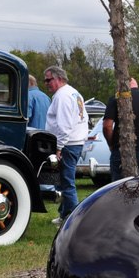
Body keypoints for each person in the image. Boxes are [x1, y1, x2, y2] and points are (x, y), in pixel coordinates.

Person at [43, 66, 88, 224]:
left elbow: (65, 125)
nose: (46, 83)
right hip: (74, 143)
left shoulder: (62, 96)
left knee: (67, 182)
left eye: (49, 79)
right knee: (63, 181)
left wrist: (59, 147)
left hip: (67, 144)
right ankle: (64, 215)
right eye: (45, 80)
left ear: (59, 78)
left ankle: (74, 219)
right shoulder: (73, 93)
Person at [103, 77, 139, 179]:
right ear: (136, 84)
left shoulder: (117, 97)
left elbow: (107, 126)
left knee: (119, 189)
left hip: (121, 151)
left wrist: (111, 144)